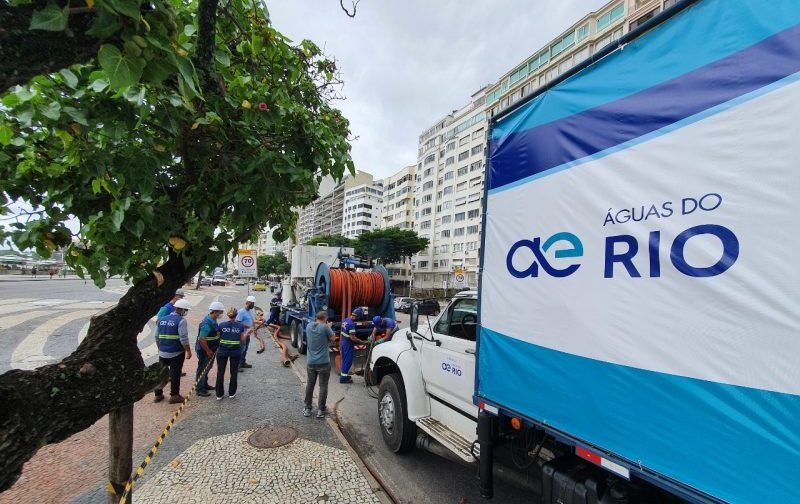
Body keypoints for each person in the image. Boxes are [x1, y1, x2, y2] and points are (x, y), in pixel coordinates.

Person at [154, 299, 193, 403]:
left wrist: (160, 348)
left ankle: (158, 395)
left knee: (161, 373)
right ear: (181, 310)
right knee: (175, 374)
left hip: (163, 352)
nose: (185, 312)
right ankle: (174, 396)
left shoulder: (162, 319)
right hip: (176, 353)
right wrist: (188, 351)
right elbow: (183, 338)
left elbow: (156, 336)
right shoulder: (181, 320)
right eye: (185, 310)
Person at [304, 311, 335, 418]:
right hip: (323, 363)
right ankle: (321, 410)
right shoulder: (325, 327)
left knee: (310, 385)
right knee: (323, 386)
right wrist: (329, 327)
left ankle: (307, 408)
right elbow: (333, 339)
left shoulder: (308, 326)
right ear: (325, 318)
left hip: (311, 363)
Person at [216, 307, 246, 399]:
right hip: (235, 352)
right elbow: (242, 339)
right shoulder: (240, 326)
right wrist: (248, 332)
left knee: (220, 372)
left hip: (222, 351)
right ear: (236, 315)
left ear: (228, 315)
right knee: (233, 372)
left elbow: (218, 337)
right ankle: (231, 393)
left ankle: (219, 394)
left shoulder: (221, 325)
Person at [195, 301, 224, 397]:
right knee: (202, 368)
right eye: (220, 312)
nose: (221, 314)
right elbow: (202, 339)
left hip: (211, 348)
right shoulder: (207, 323)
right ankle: (200, 389)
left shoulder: (213, 320)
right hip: (205, 350)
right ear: (215, 312)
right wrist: (208, 351)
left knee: (207, 367)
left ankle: (204, 384)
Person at [338, 307, 364, 383]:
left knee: (344, 360)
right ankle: (343, 379)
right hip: (348, 344)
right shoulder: (351, 324)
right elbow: (352, 338)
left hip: (343, 342)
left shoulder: (346, 320)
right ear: (358, 316)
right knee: (348, 361)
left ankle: (344, 375)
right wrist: (360, 341)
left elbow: (343, 332)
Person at [236, 295, 256, 370]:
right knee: (241, 349)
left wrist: (254, 328)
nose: (253, 305)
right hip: (242, 335)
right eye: (253, 304)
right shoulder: (241, 312)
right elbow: (238, 322)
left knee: (245, 349)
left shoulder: (249, 311)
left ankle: (243, 362)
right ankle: (237, 366)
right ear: (249, 303)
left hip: (248, 334)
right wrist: (248, 327)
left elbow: (252, 320)